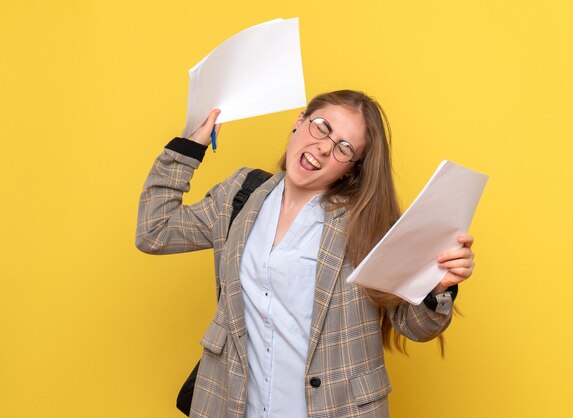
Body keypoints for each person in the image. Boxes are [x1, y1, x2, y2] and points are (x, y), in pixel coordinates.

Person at [136, 90, 475, 418]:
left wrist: (438, 286)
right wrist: (188, 148)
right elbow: (155, 230)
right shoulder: (241, 194)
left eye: (344, 148)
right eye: (321, 128)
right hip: (234, 404)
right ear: (300, 121)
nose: (324, 148)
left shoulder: (370, 223)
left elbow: (415, 327)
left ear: (351, 169)